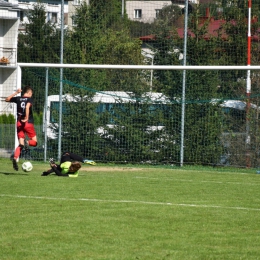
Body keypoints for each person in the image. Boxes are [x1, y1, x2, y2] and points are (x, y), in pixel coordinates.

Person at [5, 86, 37, 171]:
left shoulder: (18, 98)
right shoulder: (29, 99)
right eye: (31, 94)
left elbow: (7, 99)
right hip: (27, 123)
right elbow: (27, 107)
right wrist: (26, 117)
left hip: (19, 123)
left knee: (20, 145)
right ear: (29, 93)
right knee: (34, 142)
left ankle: (15, 158)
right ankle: (27, 143)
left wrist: (16, 93)